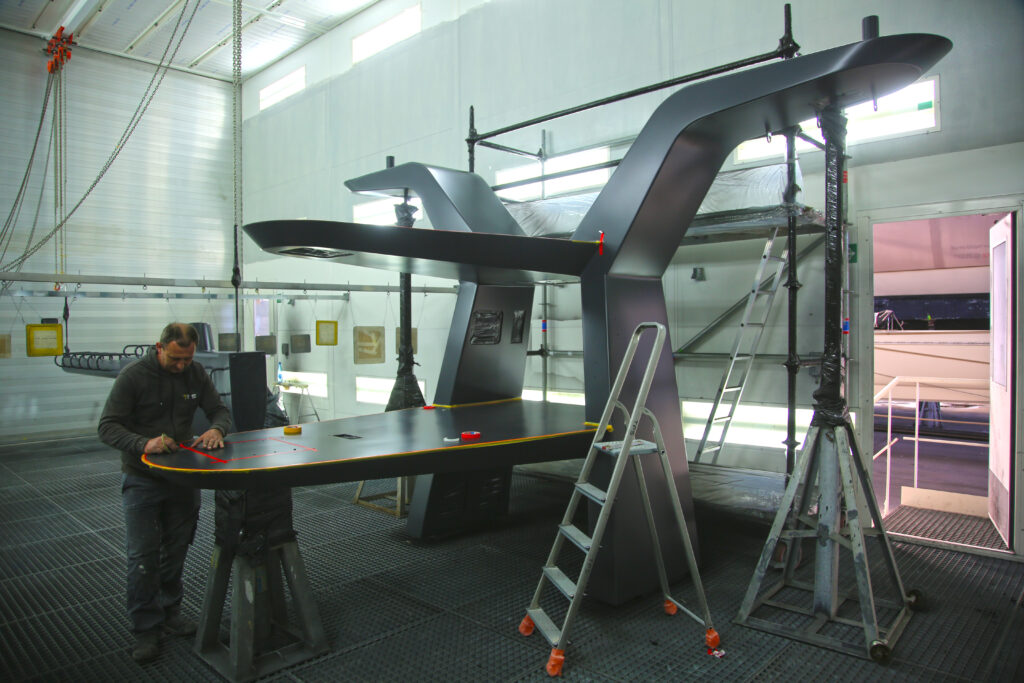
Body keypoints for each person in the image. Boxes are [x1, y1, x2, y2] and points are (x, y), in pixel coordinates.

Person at [98, 322, 232, 663]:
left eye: (187, 359)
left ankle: (170, 613)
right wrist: (144, 443)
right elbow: (107, 427)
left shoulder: (195, 373)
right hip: (142, 478)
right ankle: (146, 629)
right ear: (159, 348)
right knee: (143, 556)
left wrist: (217, 429)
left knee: (176, 548)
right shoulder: (133, 377)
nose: (181, 366)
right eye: (175, 359)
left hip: (182, 477)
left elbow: (219, 410)